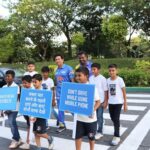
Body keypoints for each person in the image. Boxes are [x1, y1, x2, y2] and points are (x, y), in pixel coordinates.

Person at [75, 67, 100, 150]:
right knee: (78, 136)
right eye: (76, 76)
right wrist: (70, 108)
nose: (77, 77)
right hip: (79, 118)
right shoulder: (76, 87)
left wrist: (92, 110)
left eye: (79, 75)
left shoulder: (92, 88)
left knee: (91, 137)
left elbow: (98, 102)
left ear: (86, 76)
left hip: (90, 119)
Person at [31, 74, 54, 150]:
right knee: (35, 132)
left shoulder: (45, 91)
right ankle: (38, 147)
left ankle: (50, 138)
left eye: (35, 82)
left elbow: (46, 105)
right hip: (33, 115)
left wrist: (36, 116)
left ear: (40, 81)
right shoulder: (32, 90)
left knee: (40, 133)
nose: (34, 84)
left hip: (41, 116)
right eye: (33, 82)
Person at [107, 64, 127, 146]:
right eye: (110, 71)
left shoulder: (120, 80)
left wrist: (125, 103)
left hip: (118, 102)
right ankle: (118, 125)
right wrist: (106, 101)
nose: (111, 72)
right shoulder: (107, 80)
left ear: (116, 71)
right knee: (112, 117)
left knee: (116, 118)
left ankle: (117, 136)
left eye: (113, 70)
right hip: (110, 102)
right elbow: (107, 92)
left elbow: (124, 92)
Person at [54, 54, 74, 133]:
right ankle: (62, 125)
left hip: (67, 92)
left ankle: (80, 121)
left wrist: (71, 93)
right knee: (60, 109)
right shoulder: (56, 69)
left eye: (59, 59)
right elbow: (57, 82)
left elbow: (72, 81)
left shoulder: (69, 68)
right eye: (56, 59)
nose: (57, 61)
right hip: (59, 92)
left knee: (71, 108)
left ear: (63, 59)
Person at [89, 63, 108, 140]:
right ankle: (92, 131)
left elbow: (106, 91)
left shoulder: (102, 79)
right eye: (92, 69)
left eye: (94, 69)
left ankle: (100, 132)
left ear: (98, 70)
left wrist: (105, 102)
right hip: (92, 101)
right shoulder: (90, 78)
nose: (93, 71)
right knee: (92, 116)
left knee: (99, 116)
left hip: (100, 102)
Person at [3, 70, 21, 149]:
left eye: (8, 76)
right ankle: (18, 138)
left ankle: (16, 139)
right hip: (6, 109)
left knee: (11, 122)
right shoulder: (4, 87)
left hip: (14, 109)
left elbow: (16, 99)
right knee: (12, 124)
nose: (6, 77)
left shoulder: (16, 87)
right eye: (6, 76)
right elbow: (3, 100)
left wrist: (9, 109)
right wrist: (2, 110)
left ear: (13, 78)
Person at [19, 75, 32, 149]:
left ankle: (28, 142)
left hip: (33, 113)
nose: (24, 84)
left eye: (25, 83)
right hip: (26, 112)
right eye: (23, 83)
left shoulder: (33, 90)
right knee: (29, 126)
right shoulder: (23, 90)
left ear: (30, 83)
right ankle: (28, 141)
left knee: (32, 128)